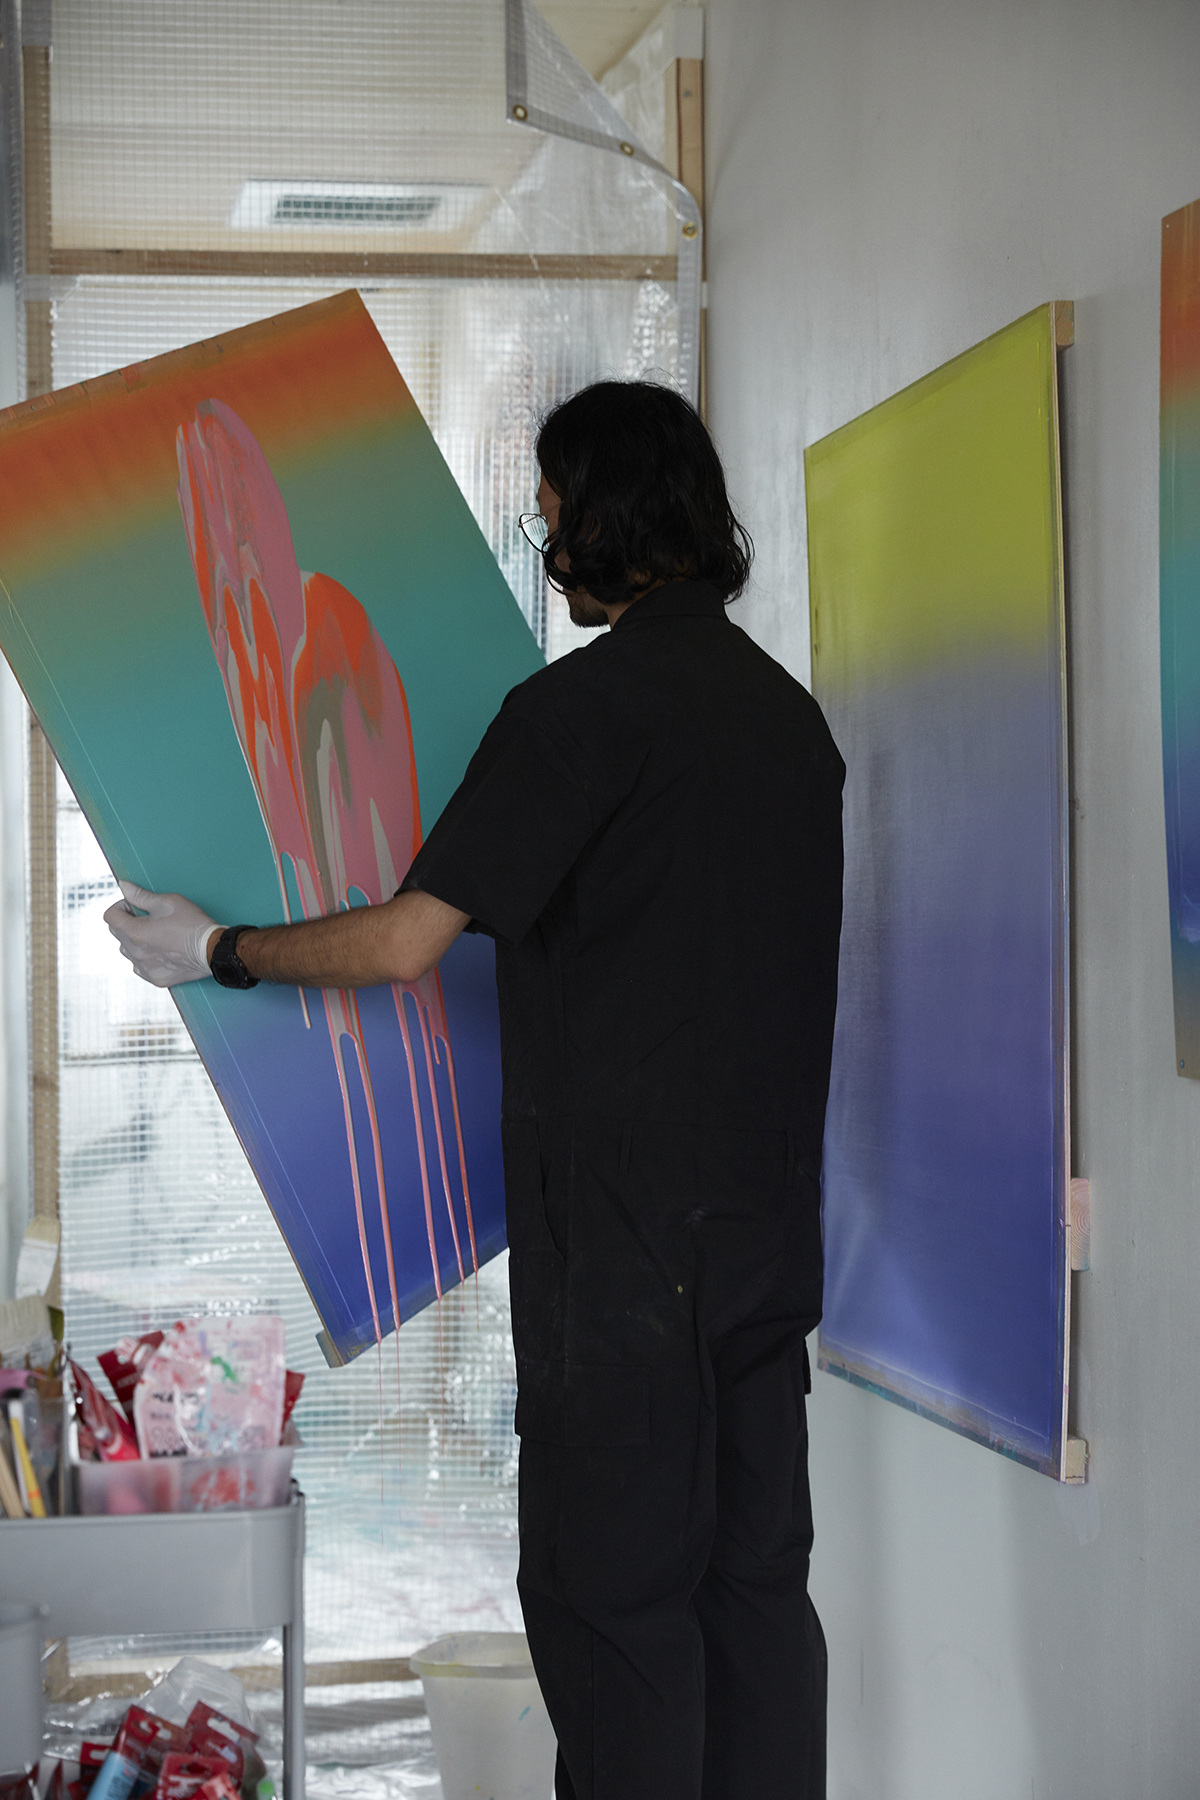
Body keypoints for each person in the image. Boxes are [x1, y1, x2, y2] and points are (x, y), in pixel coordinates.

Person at [106, 380, 845, 1800]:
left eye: (555, 518)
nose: (550, 551)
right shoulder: (788, 721)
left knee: (612, 1617)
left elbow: (404, 943)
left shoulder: (579, 715)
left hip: (621, 1273)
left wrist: (219, 950)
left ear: (609, 522)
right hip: (762, 1254)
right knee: (755, 1602)